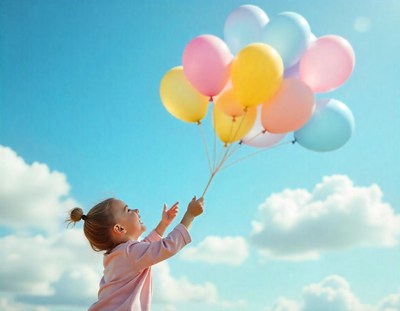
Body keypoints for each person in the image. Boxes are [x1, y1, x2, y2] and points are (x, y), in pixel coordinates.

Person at [67, 195, 204, 311]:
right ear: (119, 228)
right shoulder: (129, 254)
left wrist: (163, 224)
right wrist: (190, 215)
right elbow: (167, 246)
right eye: (128, 210)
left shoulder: (117, 255)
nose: (136, 210)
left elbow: (145, 248)